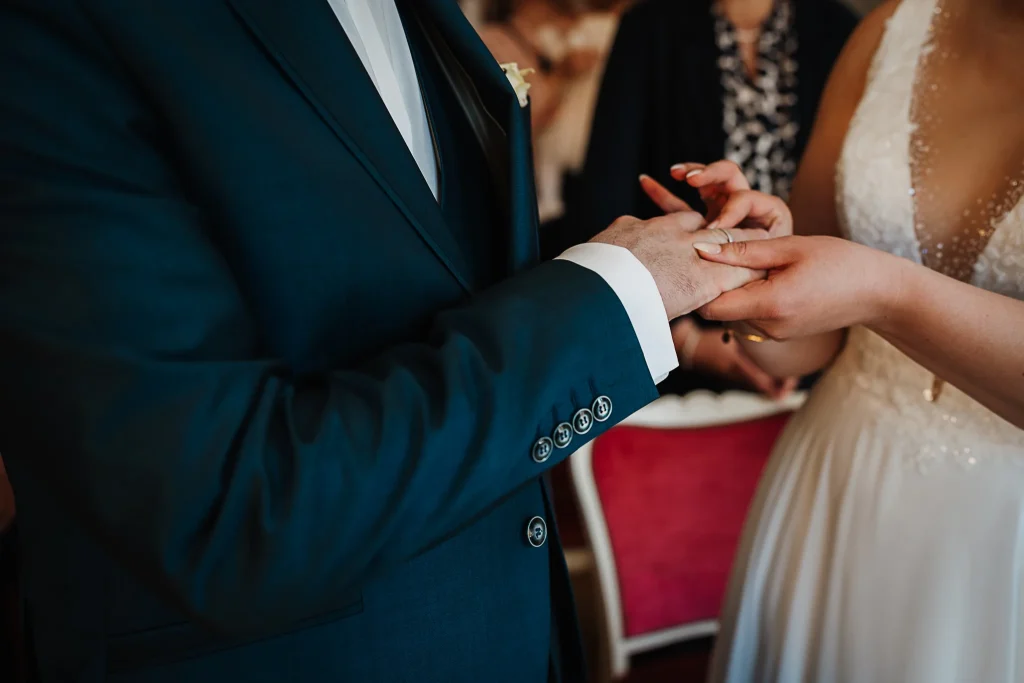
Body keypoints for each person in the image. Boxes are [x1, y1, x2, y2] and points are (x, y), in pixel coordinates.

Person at [0, 1, 762, 681]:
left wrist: (684, 268)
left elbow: (437, 288)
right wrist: (619, 292)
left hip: (507, 627)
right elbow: (225, 509)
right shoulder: (61, 26)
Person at [664, 0, 1024, 678]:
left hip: (1003, 543)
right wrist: (742, 276)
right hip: (838, 481)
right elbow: (814, 345)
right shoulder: (886, 32)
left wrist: (884, 290)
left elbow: (870, 291)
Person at [555, 0, 857, 399]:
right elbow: (603, 198)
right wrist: (689, 342)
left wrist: (807, 344)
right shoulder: (651, 27)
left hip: (821, 336)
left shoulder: (840, 29)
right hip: (682, 334)